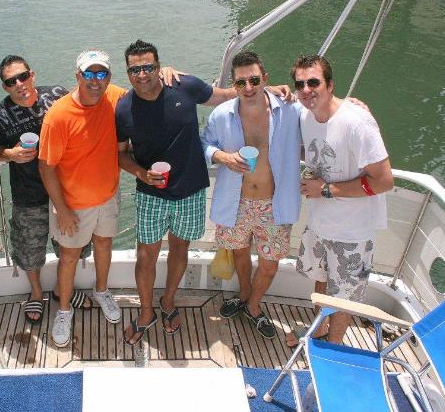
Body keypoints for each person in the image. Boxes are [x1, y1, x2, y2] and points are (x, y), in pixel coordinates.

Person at [115, 39, 251, 344]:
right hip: (150, 193)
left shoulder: (184, 86)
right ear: (128, 72)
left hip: (190, 190)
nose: (142, 74)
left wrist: (267, 90)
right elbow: (120, 154)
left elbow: (224, 95)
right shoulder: (123, 108)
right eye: (135, 69)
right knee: (145, 256)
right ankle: (146, 312)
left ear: (159, 66)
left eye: (149, 67)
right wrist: (141, 173)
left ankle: (168, 301)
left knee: (180, 249)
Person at [292, 54, 393, 345]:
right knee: (321, 281)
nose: (306, 90)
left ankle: (333, 348)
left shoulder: (357, 123)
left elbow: (384, 180)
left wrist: (325, 189)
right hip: (319, 224)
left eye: (314, 82)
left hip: (352, 233)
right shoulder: (305, 114)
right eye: (300, 84)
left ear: (330, 84)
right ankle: (318, 332)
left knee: (344, 299)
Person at [201, 51, 302, 339]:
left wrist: (351, 104)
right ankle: (245, 296)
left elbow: (321, 111)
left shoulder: (290, 110)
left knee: (270, 264)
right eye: (241, 82)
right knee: (239, 253)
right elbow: (203, 143)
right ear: (233, 85)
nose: (248, 88)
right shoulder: (222, 114)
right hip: (236, 203)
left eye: (254, 80)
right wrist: (222, 156)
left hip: (275, 204)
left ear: (265, 79)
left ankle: (254, 306)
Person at [0, 55, 89, 325]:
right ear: (5, 87)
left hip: (66, 190)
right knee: (29, 249)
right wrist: (9, 154)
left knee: (71, 245)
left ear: (32, 75)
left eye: (23, 76)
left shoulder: (56, 95)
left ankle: (62, 288)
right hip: (28, 195)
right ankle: (35, 292)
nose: (19, 84)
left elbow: (87, 107)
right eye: (11, 81)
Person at [38, 49, 125, 348]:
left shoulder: (115, 97)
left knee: (104, 244)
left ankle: (102, 291)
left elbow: (149, 91)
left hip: (108, 196)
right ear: (77, 76)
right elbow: (46, 167)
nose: (95, 80)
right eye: (89, 73)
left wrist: (166, 73)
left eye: (102, 74)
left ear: (109, 77)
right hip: (73, 205)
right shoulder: (58, 116)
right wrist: (62, 209)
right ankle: (64, 310)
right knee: (69, 257)